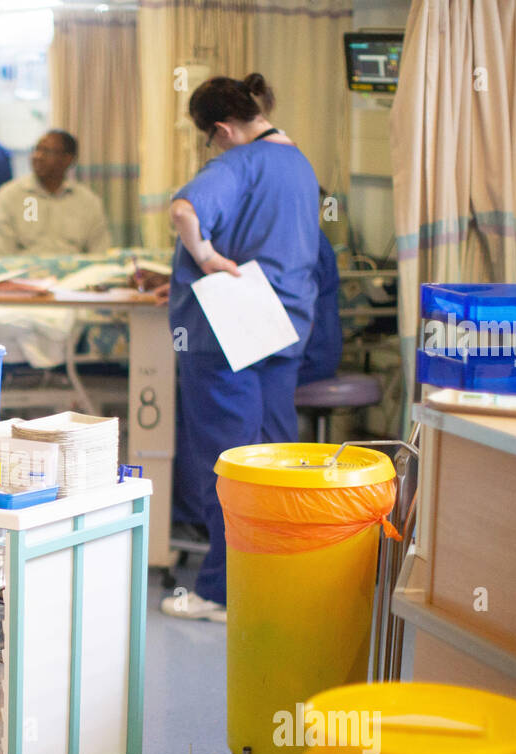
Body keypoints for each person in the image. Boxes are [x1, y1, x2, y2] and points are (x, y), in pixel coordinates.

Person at [160, 73, 320, 621]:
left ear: (223, 128)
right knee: (273, 460)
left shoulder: (236, 163)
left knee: (228, 463)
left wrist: (205, 258)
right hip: (285, 327)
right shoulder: (300, 164)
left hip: (228, 331)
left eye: (211, 137)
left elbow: (184, 211)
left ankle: (220, 593)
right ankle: (271, 586)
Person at [0, 131, 110, 256]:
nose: (38, 156)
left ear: (68, 159)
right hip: (23, 276)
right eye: (36, 149)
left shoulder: (88, 202)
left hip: (77, 276)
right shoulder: (9, 196)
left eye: (46, 151)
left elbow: (99, 252)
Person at [297, 233, 342, 386]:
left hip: (308, 360)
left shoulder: (304, 241)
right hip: (315, 355)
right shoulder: (308, 235)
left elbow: (302, 312)